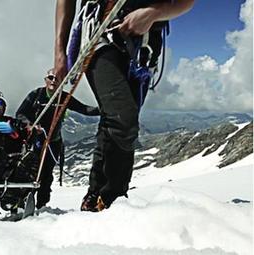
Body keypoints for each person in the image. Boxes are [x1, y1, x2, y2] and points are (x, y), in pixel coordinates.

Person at [53, 0, 194, 211]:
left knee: (114, 119)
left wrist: (153, 13)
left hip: (145, 45)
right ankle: (113, 201)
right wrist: (59, 52)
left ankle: (95, 195)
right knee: (122, 118)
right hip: (102, 30)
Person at [16, 68, 100, 209]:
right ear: (46, 80)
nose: (54, 81)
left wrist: (103, 109)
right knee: (32, 171)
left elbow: (84, 109)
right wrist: (29, 125)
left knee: (47, 175)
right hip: (36, 140)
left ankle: (42, 205)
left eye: (57, 79)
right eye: (51, 77)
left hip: (53, 142)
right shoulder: (36, 95)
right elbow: (20, 114)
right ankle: (22, 201)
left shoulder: (64, 98)